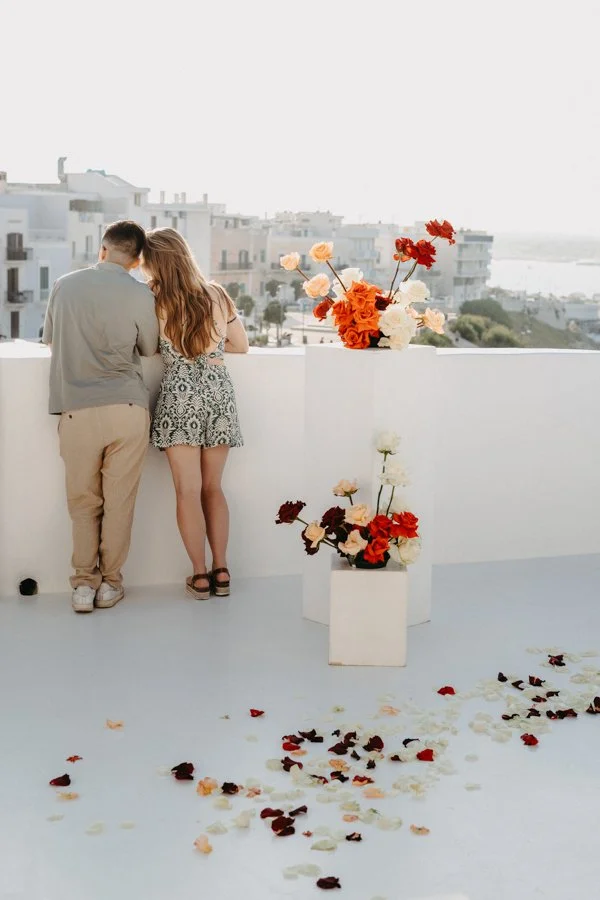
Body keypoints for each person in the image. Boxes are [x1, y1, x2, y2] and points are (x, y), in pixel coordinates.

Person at [42, 221, 159, 613]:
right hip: (127, 409)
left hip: (77, 411)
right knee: (120, 501)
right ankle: (111, 584)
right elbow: (148, 348)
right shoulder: (139, 292)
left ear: (102, 249)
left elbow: (50, 339)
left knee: (83, 503)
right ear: (138, 259)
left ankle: (82, 585)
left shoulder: (64, 285)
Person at [142, 228, 248, 601]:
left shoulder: (152, 297)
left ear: (154, 262)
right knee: (213, 488)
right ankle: (222, 570)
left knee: (186, 492)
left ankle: (199, 576)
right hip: (219, 392)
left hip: (179, 395)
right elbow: (242, 345)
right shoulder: (216, 294)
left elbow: (145, 346)